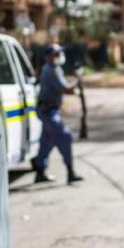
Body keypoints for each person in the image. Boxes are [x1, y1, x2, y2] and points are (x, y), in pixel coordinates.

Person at [31, 44, 83, 184]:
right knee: (65, 136)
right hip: (48, 111)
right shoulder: (50, 70)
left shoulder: (56, 69)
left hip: (50, 110)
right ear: (48, 57)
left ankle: (40, 172)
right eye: (56, 54)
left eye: (60, 53)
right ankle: (70, 172)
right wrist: (77, 79)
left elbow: (65, 88)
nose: (59, 56)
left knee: (47, 140)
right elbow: (66, 89)